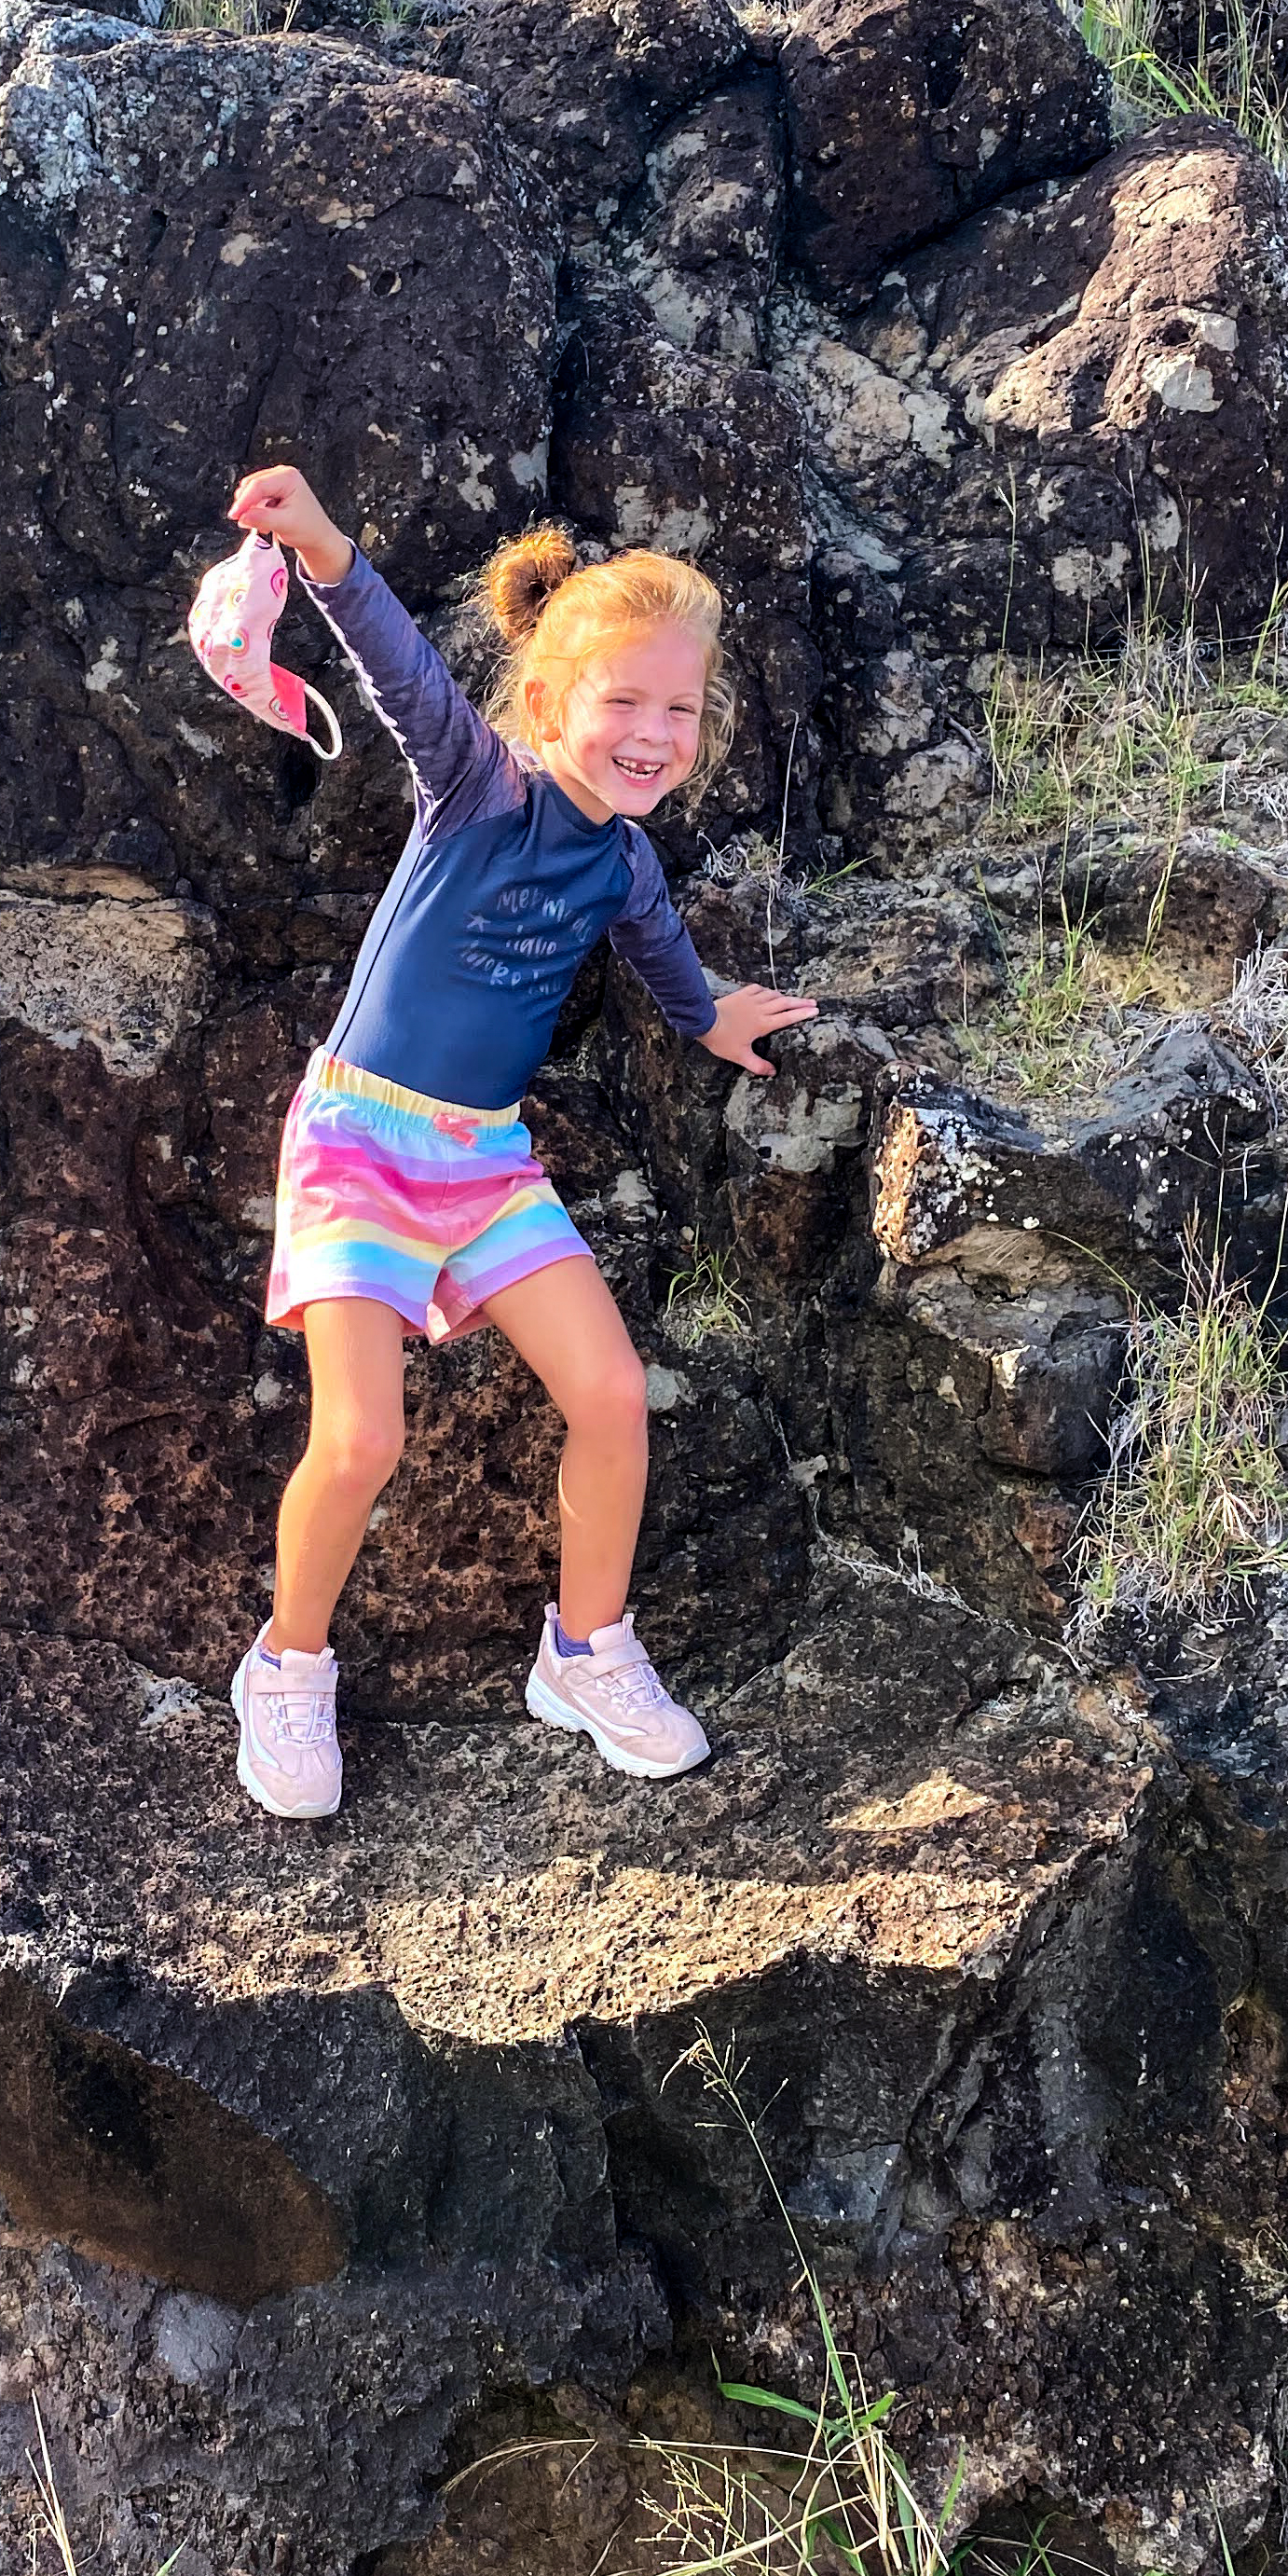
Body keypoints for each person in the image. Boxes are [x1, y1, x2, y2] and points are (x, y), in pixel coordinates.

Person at [220, 463, 818, 1823]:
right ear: (550, 706)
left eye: (679, 706)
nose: (654, 732)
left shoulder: (625, 861)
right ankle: (287, 1663)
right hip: (361, 1141)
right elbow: (400, 668)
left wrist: (709, 1015)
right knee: (362, 1436)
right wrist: (323, 547)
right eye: (623, 702)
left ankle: (585, 1649)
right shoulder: (480, 790)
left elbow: (660, 954)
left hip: (484, 1157)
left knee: (611, 1397)